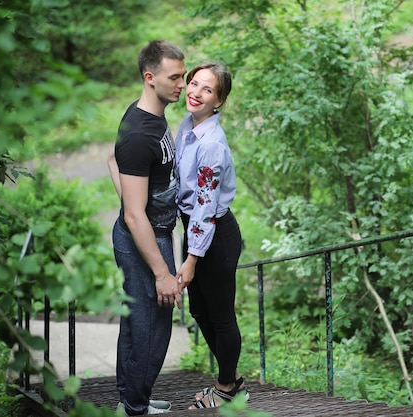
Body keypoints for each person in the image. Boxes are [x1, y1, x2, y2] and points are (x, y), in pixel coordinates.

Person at [107, 40, 186, 416]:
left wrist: (134, 203)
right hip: (145, 238)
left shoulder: (150, 118)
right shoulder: (140, 133)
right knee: (150, 328)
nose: (182, 84)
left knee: (140, 322)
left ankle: (132, 399)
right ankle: (134, 408)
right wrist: (161, 272)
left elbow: (111, 160)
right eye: (175, 77)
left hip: (149, 232)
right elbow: (135, 215)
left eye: (183, 76)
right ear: (150, 77)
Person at [174, 61, 248, 409]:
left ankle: (225, 388)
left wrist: (191, 259)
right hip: (196, 230)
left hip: (214, 236)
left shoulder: (212, 144)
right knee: (200, 310)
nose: (195, 92)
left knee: (220, 314)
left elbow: (204, 207)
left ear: (218, 101)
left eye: (207, 89)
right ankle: (230, 380)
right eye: (194, 84)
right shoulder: (188, 126)